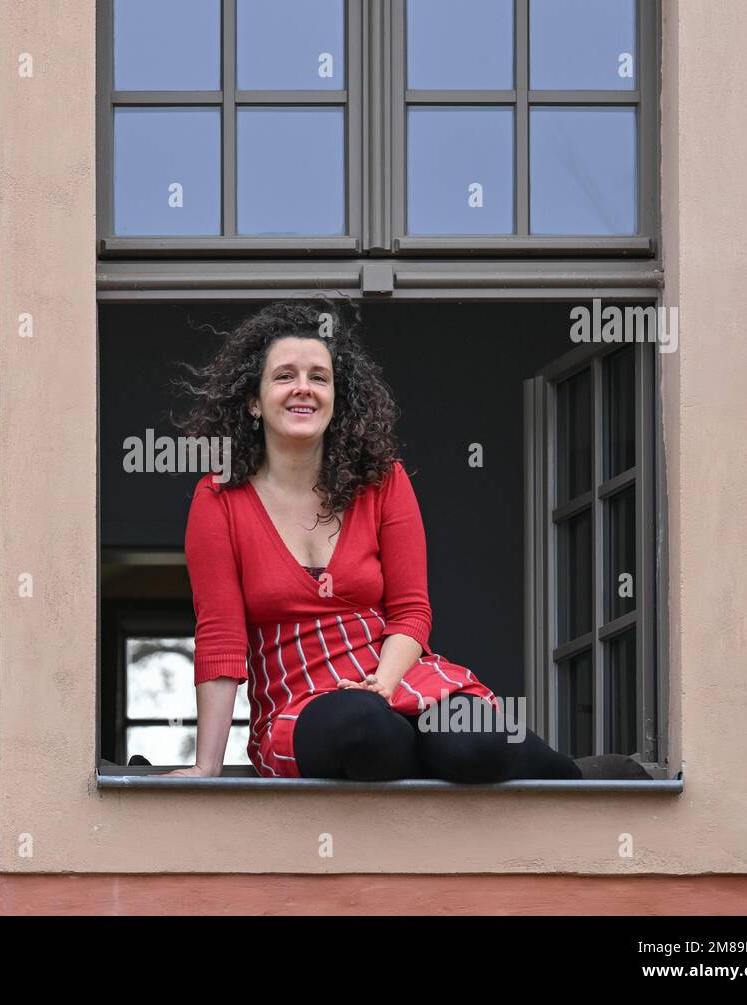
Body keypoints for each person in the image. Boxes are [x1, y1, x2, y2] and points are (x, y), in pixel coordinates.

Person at [162, 300, 646, 782]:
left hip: (395, 673)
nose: (303, 389)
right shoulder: (218, 499)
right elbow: (221, 640)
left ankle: (577, 778)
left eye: (319, 377)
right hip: (300, 698)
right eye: (285, 375)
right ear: (253, 399)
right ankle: (425, 748)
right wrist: (207, 766)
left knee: (472, 740)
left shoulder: (382, 480)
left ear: (337, 396)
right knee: (367, 729)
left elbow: (412, 610)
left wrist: (383, 685)